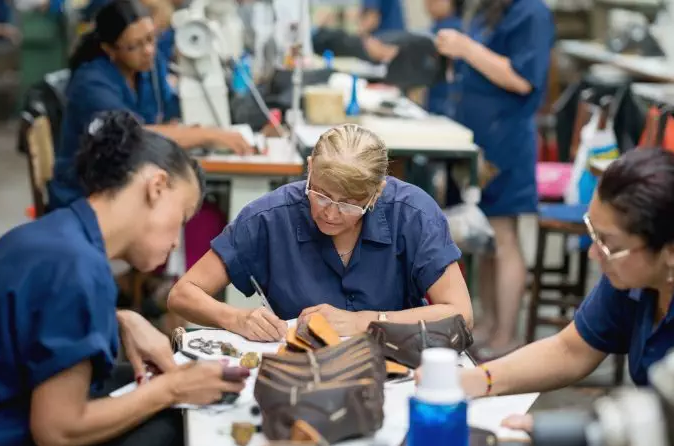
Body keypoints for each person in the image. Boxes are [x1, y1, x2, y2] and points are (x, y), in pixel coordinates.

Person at [0, 111, 245, 446]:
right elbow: (57, 431)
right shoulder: (78, 267)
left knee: (149, 394)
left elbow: (32, 324)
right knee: (171, 427)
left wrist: (118, 320)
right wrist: (173, 389)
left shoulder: (57, 235)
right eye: (182, 219)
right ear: (156, 187)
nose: (176, 242)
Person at [434, 149, 674, 428]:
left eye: (609, 244)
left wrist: (554, 432)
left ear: (673, 252)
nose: (595, 254)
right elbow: (571, 349)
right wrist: (479, 380)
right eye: (593, 233)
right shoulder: (631, 280)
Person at [167, 124, 473, 342]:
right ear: (310, 168)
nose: (330, 212)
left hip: (396, 364)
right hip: (301, 370)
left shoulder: (413, 214)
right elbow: (183, 294)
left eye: (350, 204)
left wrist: (363, 321)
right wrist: (236, 318)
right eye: (321, 194)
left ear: (377, 192)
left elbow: (461, 315)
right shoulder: (271, 218)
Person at [434, 0, 555, 358]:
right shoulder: (490, 10)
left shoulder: (531, 12)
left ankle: (507, 335)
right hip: (480, 138)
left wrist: (466, 49)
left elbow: (522, 78)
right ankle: (488, 324)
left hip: (505, 141)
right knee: (485, 241)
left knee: (503, 237)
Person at [49, 0, 251, 210]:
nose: (148, 50)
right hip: (85, 192)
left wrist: (193, 127)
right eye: (135, 45)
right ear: (110, 49)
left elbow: (168, 109)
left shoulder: (147, 70)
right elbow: (134, 135)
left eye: (151, 39)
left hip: (123, 179)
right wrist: (210, 135)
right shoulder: (91, 82)